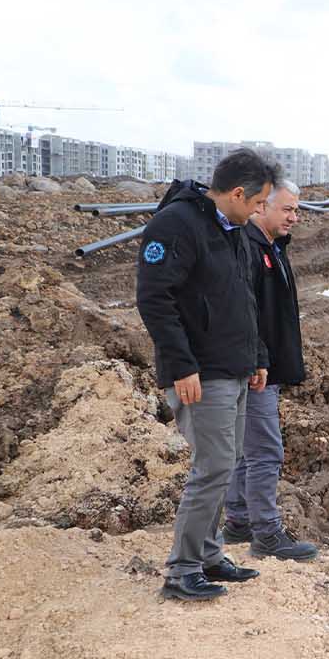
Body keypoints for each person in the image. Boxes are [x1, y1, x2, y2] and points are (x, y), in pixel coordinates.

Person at [136, 149, 280, 601]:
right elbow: (155, 300)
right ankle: (182, 569)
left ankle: (210, 555)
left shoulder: (231, 229)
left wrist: (256, 355)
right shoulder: (177, 225)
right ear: (238, 193)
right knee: (213, 467)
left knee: (225, 464)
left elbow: (242, 298)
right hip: (201, 372)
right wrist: (181, 366)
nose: (261, 211)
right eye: (259, 203)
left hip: (233, 368)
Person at [222, 179, 318, 561]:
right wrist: (258, 359)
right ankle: (266, 533)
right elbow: (243, 313)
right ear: (261, 207)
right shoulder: (248, 247)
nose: (295, 217)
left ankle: (239, 521)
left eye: (297, 210)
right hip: (255, 368)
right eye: (287, 209)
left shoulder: (271, 246)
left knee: (246, 449)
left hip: (261, 365)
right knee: (265, 450)